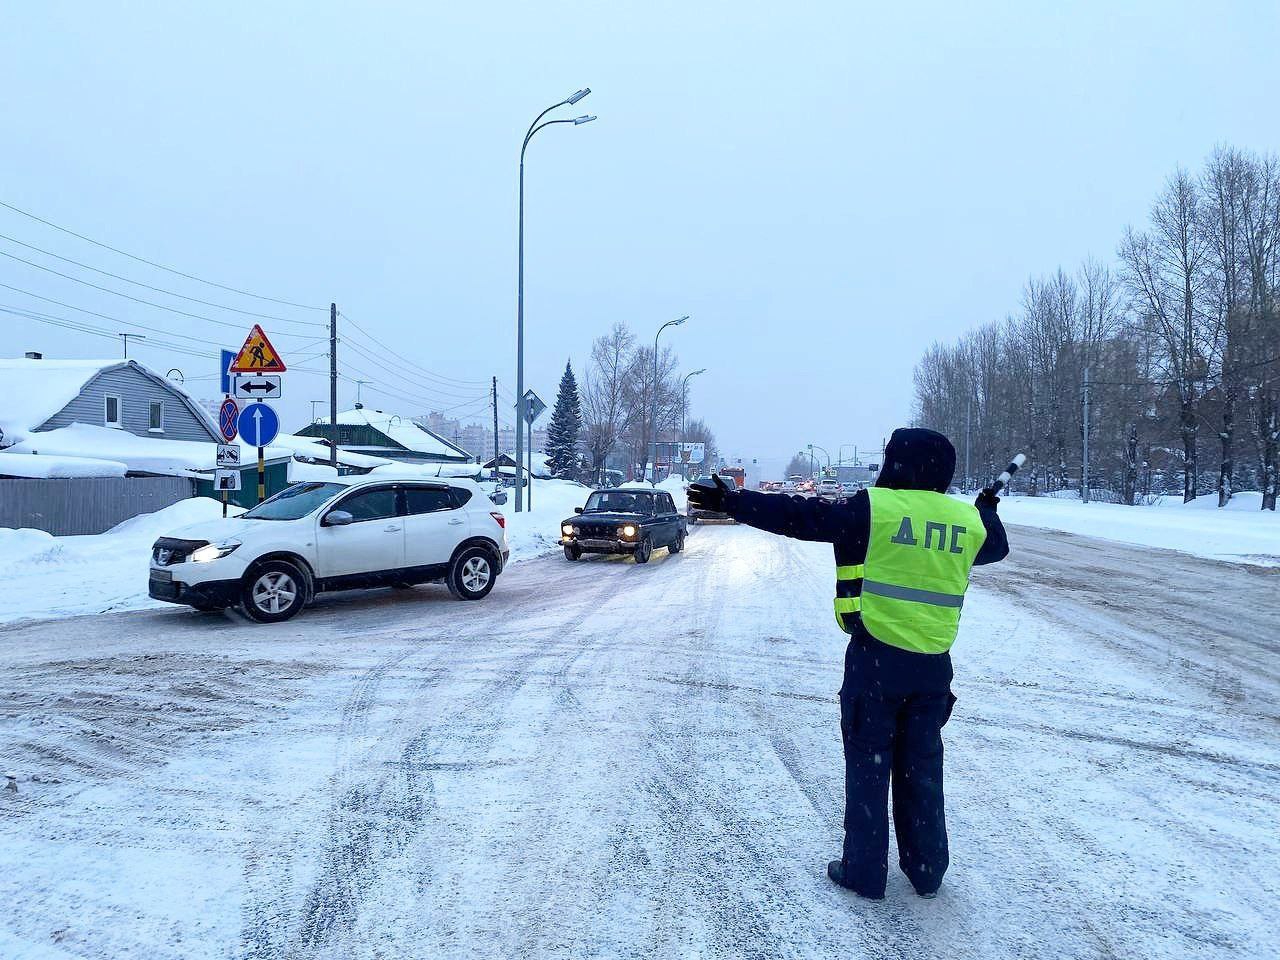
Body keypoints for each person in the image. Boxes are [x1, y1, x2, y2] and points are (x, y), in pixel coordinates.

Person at [687, 428, 1008, 900]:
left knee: (868, 765)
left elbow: (801, 516)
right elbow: (995, 545)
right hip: (934, 667)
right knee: (922, 767)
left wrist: (734, 503)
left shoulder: (875, 508)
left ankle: (864, 869)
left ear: (898, 463)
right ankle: (926, 868)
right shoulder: (967, 521)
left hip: (877, 658)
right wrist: (984, 508)